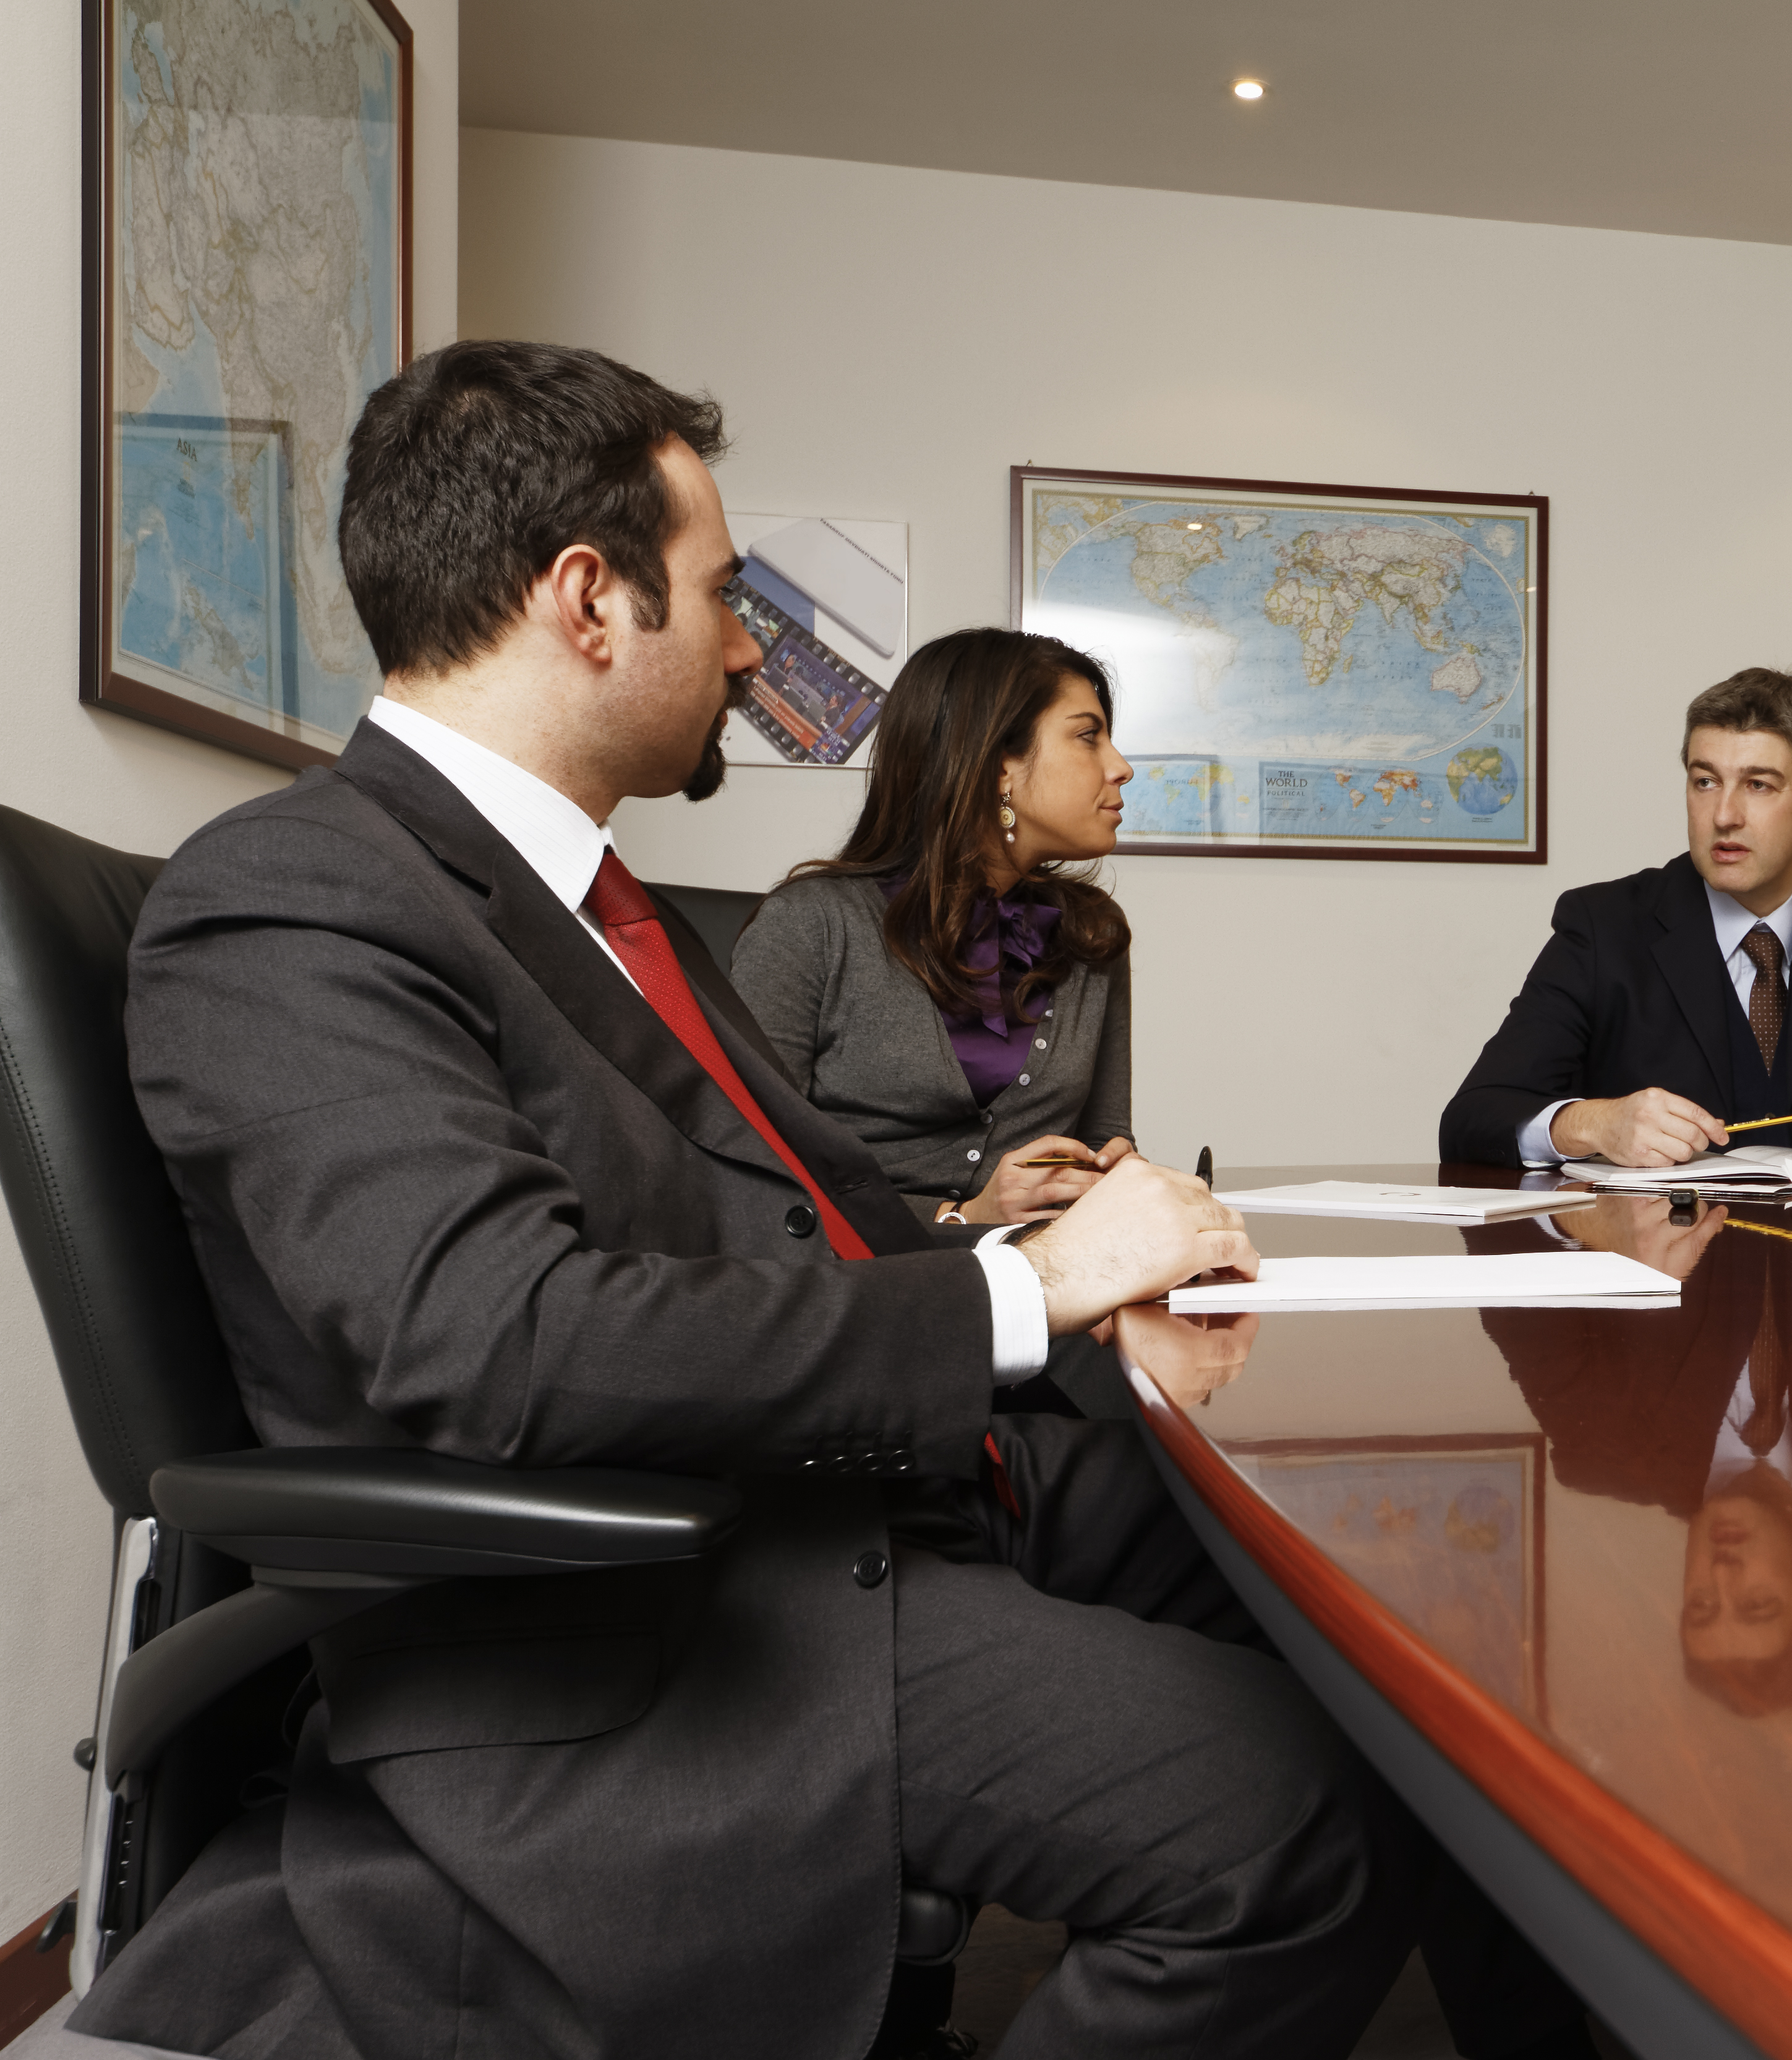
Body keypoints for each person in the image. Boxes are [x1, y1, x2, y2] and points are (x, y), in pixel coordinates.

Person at [77, 340, 1585, 2060]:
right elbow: (501, 1340)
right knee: (1304, 1828)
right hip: (678, 1603)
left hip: (875, 1484)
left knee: (1425, 1639)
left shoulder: (590, 898)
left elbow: (796, 1211)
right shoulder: (294, 898)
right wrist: (1023, 1296)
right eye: (723, 595)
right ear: (588, 599)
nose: (745, 646)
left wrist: (1053, 1259)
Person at [1440, 666, 1792, 1168]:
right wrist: (1593, 1124)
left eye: (1758, 785)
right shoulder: (1603, 926)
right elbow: (1472, 1119)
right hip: (1663, 1262)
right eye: (1705, 782)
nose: (1724, 815)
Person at [1474, 1197, 1792, 1714]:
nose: (1722, 1575)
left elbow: (1497, 1249)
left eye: (1701, 1605)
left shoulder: (1601, 1449)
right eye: (1757, 1603)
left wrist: (1590, 1220)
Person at [735, 628, 1137, 1225]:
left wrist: (1117, 1176)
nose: (1121, 768)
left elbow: (1107, 1141)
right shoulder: (810, 928)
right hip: (862, 1292)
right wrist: (962, 1215)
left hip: (1041, 1292)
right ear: (998, 764)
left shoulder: (1090, 935)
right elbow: (745, 1187)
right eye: (1088, 737)